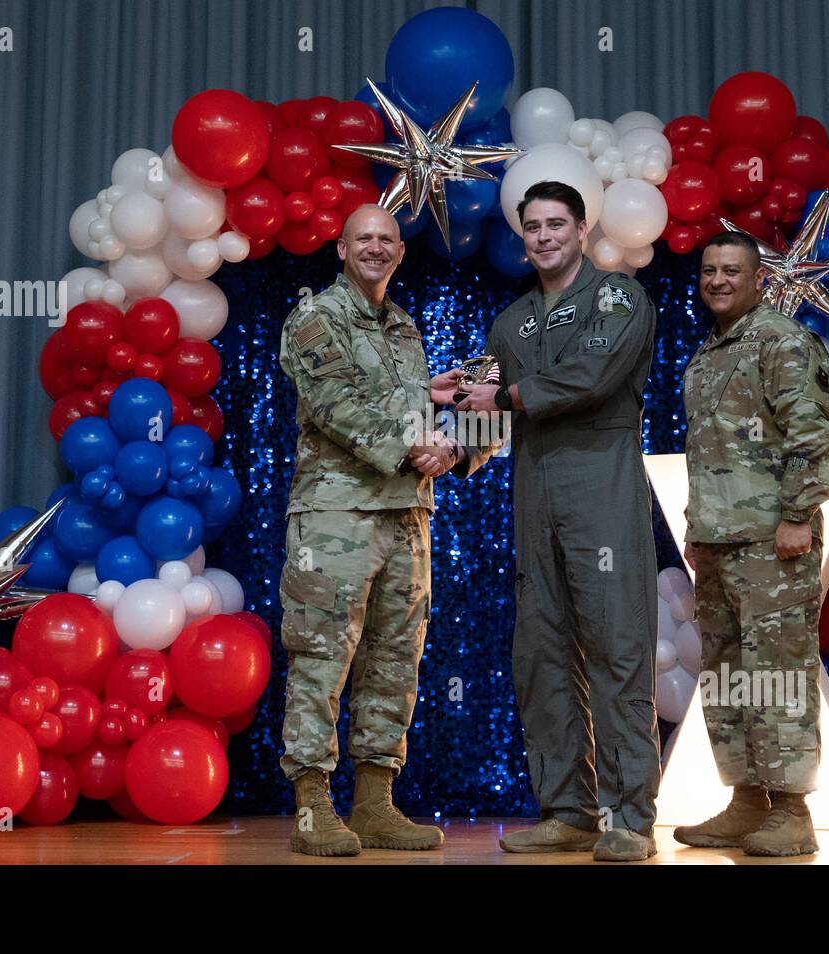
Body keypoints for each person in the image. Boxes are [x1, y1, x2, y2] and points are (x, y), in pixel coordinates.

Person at [457, 180, 662, 862]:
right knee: (540, 657)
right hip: (533, 497)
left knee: (617, 649)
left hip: (599, 489)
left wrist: (506, 395)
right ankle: (568, 811)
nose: (543, 236)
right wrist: (442, 446)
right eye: (533, 227)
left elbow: (592, 375)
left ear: (580, 231)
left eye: (555, 224)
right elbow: (485, 413)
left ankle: (629, 817)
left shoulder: (617, 297)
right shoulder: (510, 322)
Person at [276, 204, 471, 857]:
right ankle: (311, 809)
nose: (376, 247)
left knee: (394, 661)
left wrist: (452, 445)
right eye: (364, 238)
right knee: (321, 657)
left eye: (387, 239)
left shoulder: (403, 327)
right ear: (341, 248)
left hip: (407, 516)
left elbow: (409, 412)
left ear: (400, 252)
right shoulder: (314, 318)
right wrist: (421, 433)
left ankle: (375, 804)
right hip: (335, 516)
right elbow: (335, 406)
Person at [672, 231, 829, 857]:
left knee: (778, 676)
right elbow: (708, 454)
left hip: (773, 544)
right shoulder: (710, 353)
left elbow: (812, 435)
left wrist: (798, 515)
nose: (718, 279)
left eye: (731, 270)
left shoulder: (781, 341)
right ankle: (746, 803)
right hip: (717, 545)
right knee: (729, 678)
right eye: (710, 269)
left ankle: (792, 814)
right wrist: (696, 532)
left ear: (758, 277)